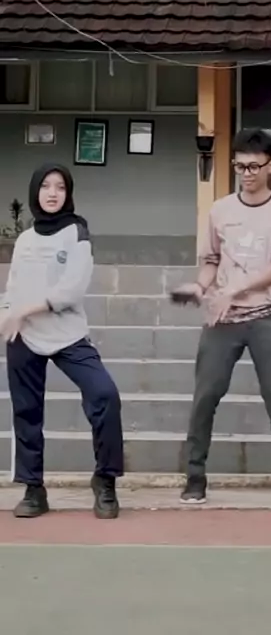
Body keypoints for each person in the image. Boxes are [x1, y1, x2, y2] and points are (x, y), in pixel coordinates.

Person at [174, 128, 271, 506]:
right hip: (224, 318)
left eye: (253, 166)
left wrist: (233, 289)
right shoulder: (220, 210)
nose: (246, 174)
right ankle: (195, 476)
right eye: (239, 166)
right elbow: (211, 261)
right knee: (206, 395)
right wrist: (199, 287)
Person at [0, 163, 124, 519]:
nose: (52, 193)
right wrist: (6, 312)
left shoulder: (77, 232)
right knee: (26, 412)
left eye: (60, 187)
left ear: (68, 193)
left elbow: (71, 289)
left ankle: (105, 480)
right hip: (25, 336)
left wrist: (24, 310)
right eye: (45, 186)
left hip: (68, 335)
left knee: (104, 395)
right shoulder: (25, 239)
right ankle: (33, 489)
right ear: (35, 192)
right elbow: (13, 286)